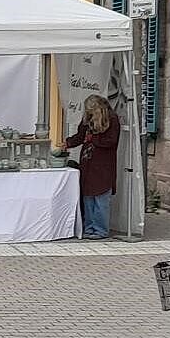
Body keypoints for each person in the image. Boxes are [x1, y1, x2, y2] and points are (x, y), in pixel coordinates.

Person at [62, 94, 121, 240]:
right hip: (88, 162)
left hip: (103, 164)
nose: (88, 114)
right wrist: (67, 143)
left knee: (101, 198)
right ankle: (89, 227)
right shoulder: (87, 120)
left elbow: (111, 141)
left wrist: (93, 139)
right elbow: (80, 136)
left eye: (91, 111)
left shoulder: (112, 120)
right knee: (88, 197)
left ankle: (100, 230)